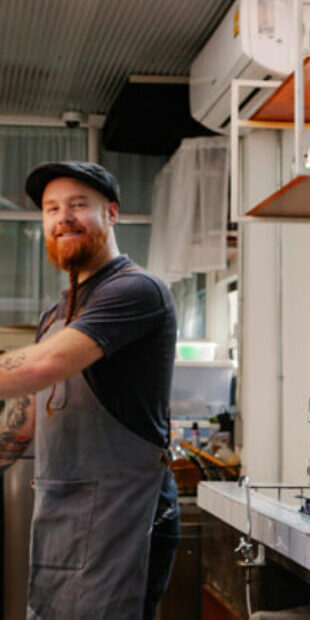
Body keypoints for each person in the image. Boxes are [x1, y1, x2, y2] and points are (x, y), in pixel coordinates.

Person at [0, 162, 179, 619]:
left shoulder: (137, 290)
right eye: (52, 208)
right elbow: (25, 417)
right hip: (63, 511)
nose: (64, 218)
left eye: (79, 205)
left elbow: (42, 366)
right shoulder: (56, 312)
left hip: (123, 516)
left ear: (112, 213)